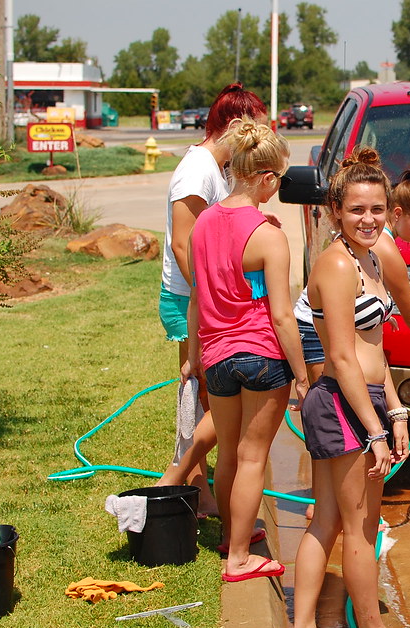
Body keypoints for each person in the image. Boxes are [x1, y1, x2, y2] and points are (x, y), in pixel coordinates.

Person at [286, 148, 410, 628]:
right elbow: (342, 358)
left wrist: (395, 410)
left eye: (377, 209)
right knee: (361, 527)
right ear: (334, 211)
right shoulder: (337, 265)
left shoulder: (369, 258)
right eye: (356, 210)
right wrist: (373, 430)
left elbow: (375, 349)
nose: (368, 219)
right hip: (343, 402)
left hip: (360, 399)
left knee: (326, 519)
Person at [185, 118, 309, 582]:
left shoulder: (202, 226)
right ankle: (238, 557)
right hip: (260, 356)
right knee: (255, 456)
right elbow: (281, 317)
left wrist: (195, 355)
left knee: (231, 453)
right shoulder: (269, 236)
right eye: (278, 177)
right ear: (263, 178)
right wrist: (300, 373)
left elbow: (198, 296)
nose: (278, 185)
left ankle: (229, 535)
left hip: (217, 356)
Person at [155, 83, 267, 520]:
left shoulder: (217, 168)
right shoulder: (196, 169)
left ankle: (197, 489)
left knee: (206, 395)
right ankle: (183, 482)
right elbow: (185, 246)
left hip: (207, 299)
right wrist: (214, 302)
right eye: (254, 127)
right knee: (202, 395)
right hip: (190, 298)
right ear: (234, 125)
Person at [294, 164, 410, 386]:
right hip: (313, 326)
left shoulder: (373, 241)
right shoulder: (384, 247)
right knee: (331, 393)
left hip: (330, 323)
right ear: (397, 213)